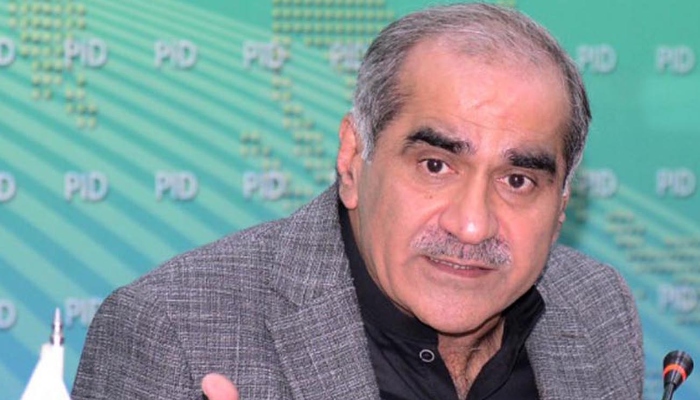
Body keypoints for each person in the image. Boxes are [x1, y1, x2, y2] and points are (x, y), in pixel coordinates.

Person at [72, 3, 644, 400]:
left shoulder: (597, 307)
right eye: (436, 166)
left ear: (562, 203)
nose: (472, 225)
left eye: (518, 180)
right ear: (352, 160)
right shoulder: (173, 334)